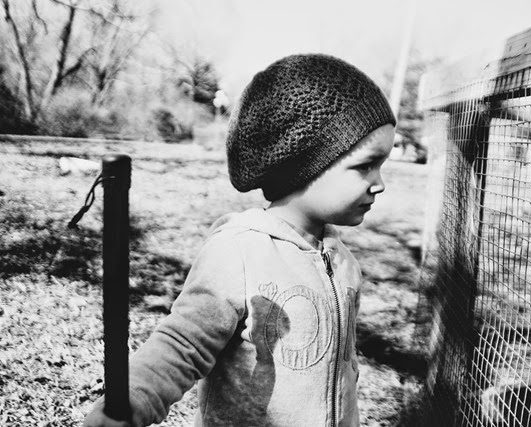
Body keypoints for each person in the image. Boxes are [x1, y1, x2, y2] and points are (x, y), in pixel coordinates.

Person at [83, 53, 396, 427]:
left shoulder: (342, 261)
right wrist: (134, 400)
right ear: (305, 161)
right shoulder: (240, 251)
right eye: (365, 165)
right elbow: (183, 344)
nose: (379, 184)